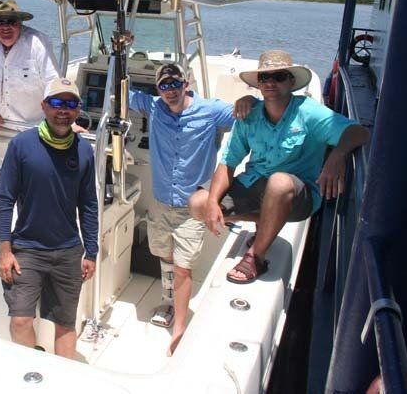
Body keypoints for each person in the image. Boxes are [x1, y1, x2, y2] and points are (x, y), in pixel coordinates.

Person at [189, 50, 370, 284]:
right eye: (265, 78)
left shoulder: (308, 111)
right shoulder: (249, 114)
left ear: (291, 81)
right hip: (255, 184)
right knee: (197, 204)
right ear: (259, 84)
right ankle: (266, 223)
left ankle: (256, 257)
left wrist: (337, 155)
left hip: (295, 195)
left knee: (279, 181)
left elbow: (358, 131)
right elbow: (228, 163)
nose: (270, 82)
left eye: (278, 76)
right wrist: (213, 202)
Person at [129, 62, 248, 356]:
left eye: (174, 84)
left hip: (192, 207)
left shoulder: (209, 110)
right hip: (160, 201)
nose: (169, 90)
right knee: (164, 253)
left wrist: (248, 101)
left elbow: (245, 116)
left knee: (184, 268)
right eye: (164, 85)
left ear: (186, 84)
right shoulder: (155, 106)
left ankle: (179, 326)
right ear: (158, 89)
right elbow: (121, 94)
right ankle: (168, 300)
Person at [0, 78, 98, 360]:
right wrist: (5, 249)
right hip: (27, 248)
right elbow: (4, 199)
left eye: (70, 104)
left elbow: (88, 204)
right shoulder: (21, 145)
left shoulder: (84, 150)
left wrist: (92, 251)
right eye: (56, 103)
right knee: (20, 321)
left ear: (77, 110)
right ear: (44, 106)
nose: (62, 110)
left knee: (66, 325)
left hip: (68, 250)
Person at [0, 0, 60, 133]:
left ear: (20, 23)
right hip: (3, 126)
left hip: (37, 129)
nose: (5, 27)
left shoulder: (37, 43)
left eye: (11, 21)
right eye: (0, 22)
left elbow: (54, 85)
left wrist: (60, 122)